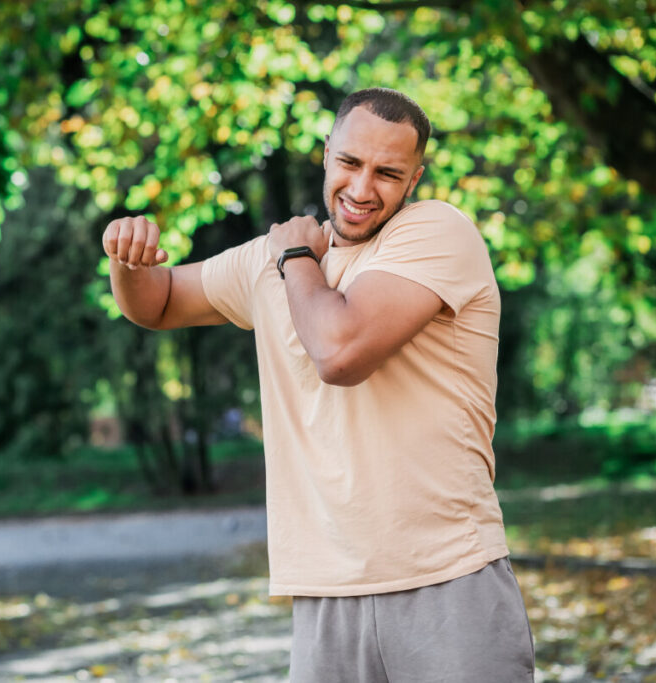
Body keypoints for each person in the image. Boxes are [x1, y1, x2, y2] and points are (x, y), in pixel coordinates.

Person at [102, 87, 535, 682]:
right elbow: (159, 303)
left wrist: (298, 258)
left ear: (415, 179)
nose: (362, 189)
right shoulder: (271, 260)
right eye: (350, 163)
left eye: (388, 173)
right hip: (325, 592)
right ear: (325, 153)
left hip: (447, 582)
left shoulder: (436, 234)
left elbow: (340, 350)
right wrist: (127, 261)